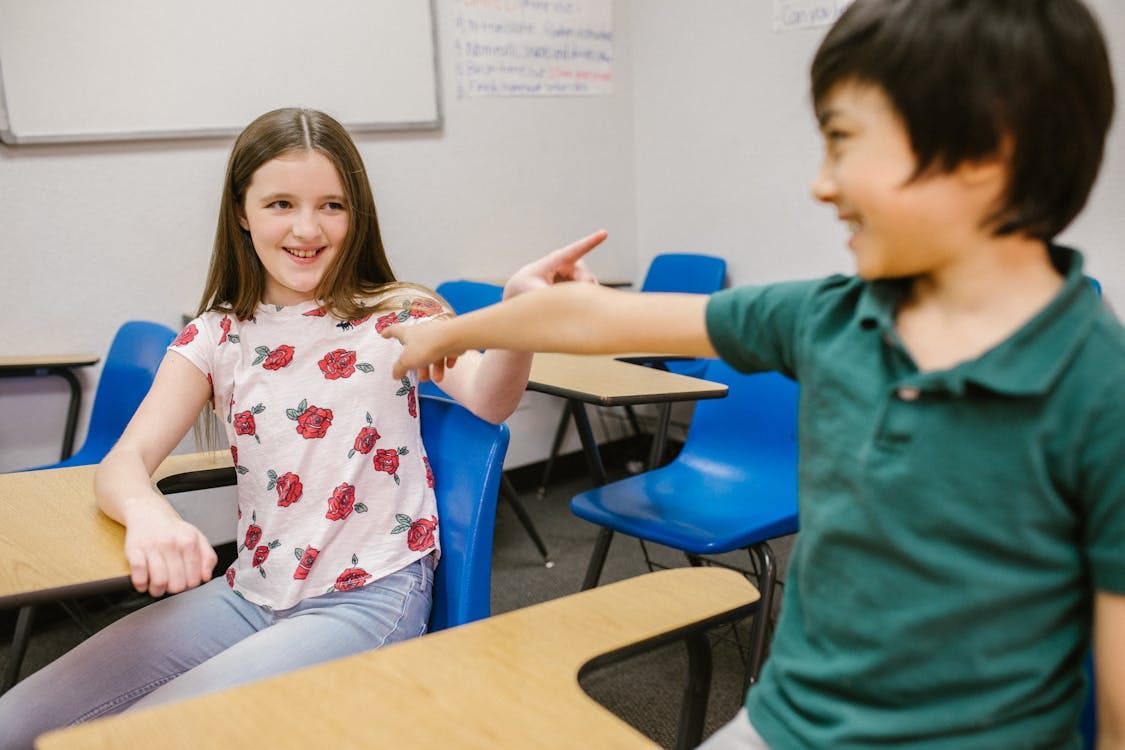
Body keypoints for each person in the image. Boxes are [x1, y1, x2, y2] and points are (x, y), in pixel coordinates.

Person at [383, 1, 1125, 747]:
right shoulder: (830, 317)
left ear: (984, 146)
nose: (821, 185)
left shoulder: (1098, 391)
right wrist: (448, 334)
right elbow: (591, 321)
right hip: (788, 724)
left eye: (843, 144)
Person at [0, 107, 603, 748]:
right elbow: (121, 464)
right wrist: (150, 515)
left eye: (332, 206)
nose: (308, 228)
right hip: (250, 592)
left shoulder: (400, 313)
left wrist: (520, 322)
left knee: (154, 736)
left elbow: (489, 399)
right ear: (242, 211)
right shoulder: (215, 336)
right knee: (16, 721)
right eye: (281, 203)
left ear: (357, 213)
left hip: (369, 596)